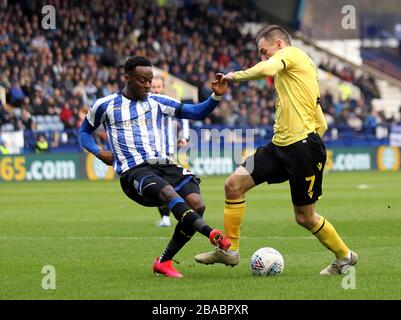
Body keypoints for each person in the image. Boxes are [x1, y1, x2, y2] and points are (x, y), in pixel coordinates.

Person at [195, 25, 358, 275]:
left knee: (304, 217)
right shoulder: (294, 72)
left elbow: (268, 68)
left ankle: (345, 257)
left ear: (279, 44)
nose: (262, 58)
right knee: (233, 184)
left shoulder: (292, 55)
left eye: (264, 51)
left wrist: (234, 76)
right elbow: (320, 119)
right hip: (277, 147)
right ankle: (230, 251)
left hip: (302, 149)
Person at [78, 56, 230, 278]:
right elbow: (84, 132)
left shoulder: (158, 101)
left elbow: (196, 112)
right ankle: (211, 233)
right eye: (142, 80)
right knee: (168, 192)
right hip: (134, 171)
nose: (148, 85)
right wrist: (98, 152)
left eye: (150, 81)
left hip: (163, 164)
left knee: (197, 204)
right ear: (127, 78)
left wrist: (216, 95)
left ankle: (164, 261)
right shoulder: (106, 105)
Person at [151, 75, 190, 228]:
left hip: (168, 150)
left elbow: (184, 117)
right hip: (150, 152)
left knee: (168, 185)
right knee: (156, 186)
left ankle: (176, 214)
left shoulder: (169, 102)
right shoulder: (143, 104)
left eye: (158, 87)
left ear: (163, 88)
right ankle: (165, 217)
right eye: (153, 87)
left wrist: (184, 137)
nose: (155, 89)